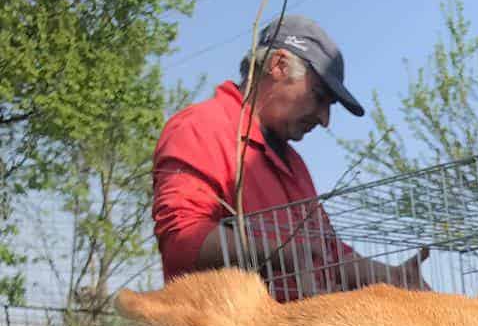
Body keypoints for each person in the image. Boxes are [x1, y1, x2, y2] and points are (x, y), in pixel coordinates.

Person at [152, 15, 425, 299]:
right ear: (279, 65)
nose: (325, 119)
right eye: (319, 96)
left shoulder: (294, 164)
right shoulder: (202, 128)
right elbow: (181, 241)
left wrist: (393, 277)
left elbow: (326, 253)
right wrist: (282, 253)